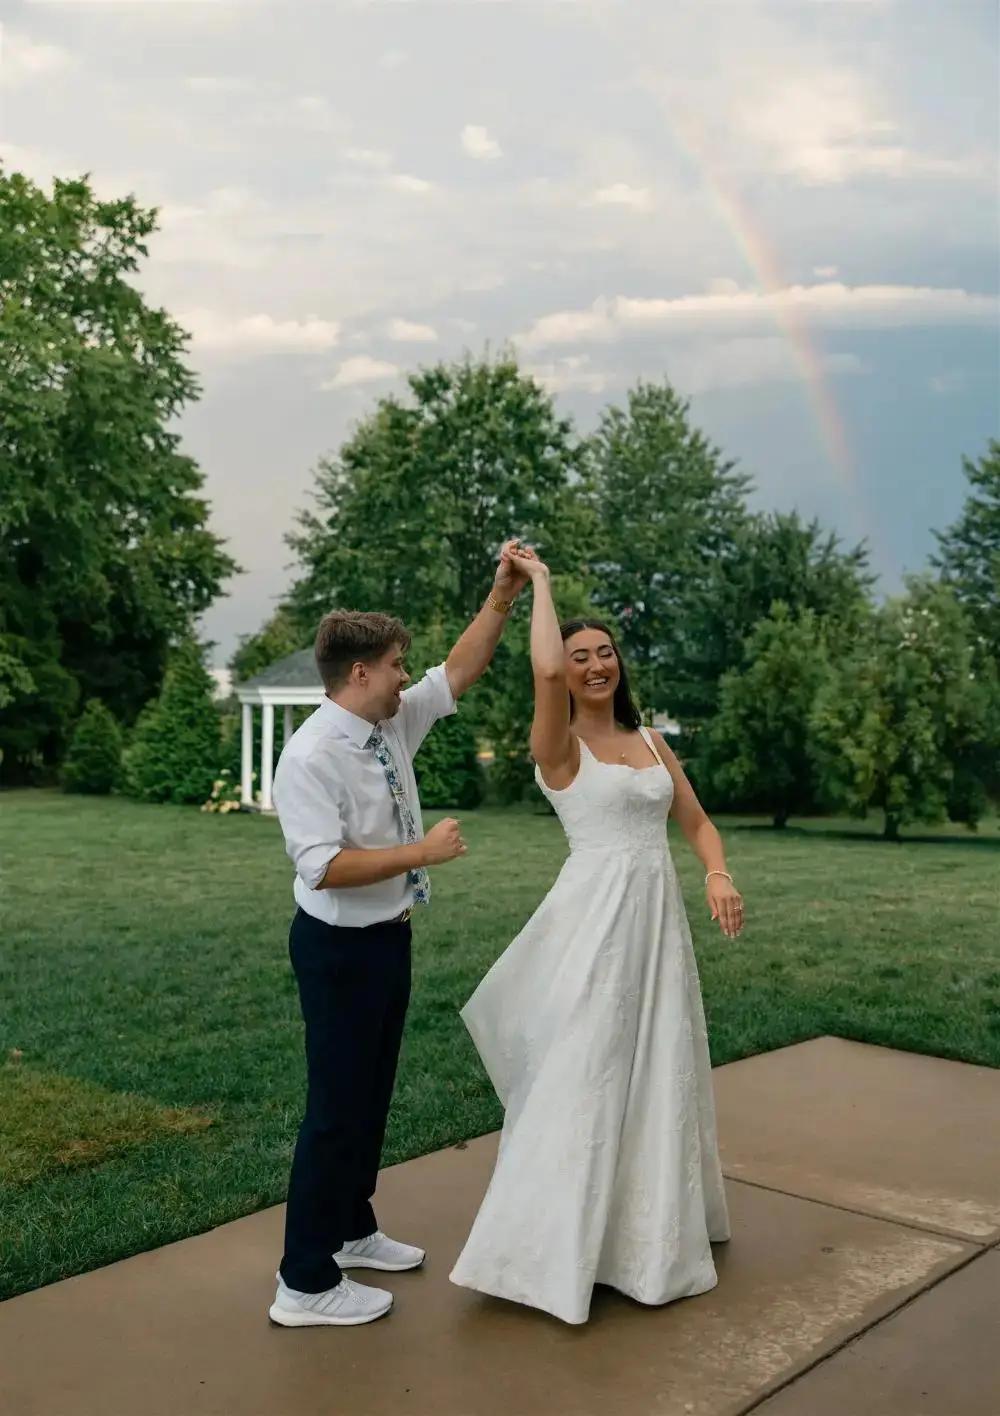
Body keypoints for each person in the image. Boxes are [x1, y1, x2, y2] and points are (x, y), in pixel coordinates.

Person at [450, 547, 741, 1325]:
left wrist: (717, 873)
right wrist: (539, 584)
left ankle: (645, 1240)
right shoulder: (559, 748)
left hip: (658, 931)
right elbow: (542, 675)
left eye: (605, 651)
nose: (593, 665)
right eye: (581, 656)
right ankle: (552, 1249)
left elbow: (699, 823)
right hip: (594, 928)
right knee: (586, 1073)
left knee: (659, 1068)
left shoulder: (650, 744)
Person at [268, 542, 530, 1328]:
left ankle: (351, 1229)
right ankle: (304, 1284)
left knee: (371, 1098)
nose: (403, 675)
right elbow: (322, 866)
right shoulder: (311, 755)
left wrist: (502, 596)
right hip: (338, 950)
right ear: (358, 674)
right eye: (393, 663)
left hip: (388, 938)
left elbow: (457, 672)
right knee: (335, 1110)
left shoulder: (387, 722)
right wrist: (423, 852)